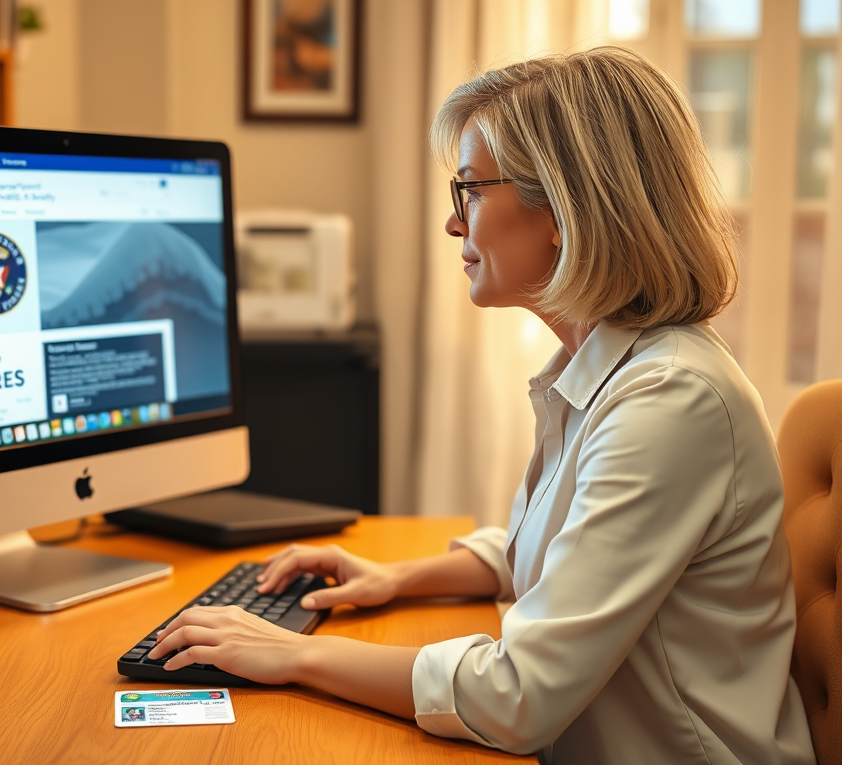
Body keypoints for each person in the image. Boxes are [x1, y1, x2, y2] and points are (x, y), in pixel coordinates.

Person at [149, 46, 816, 763]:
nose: (454, 224)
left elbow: (519, 696)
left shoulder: (670, 402)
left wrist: (295, 656)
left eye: (468, 189)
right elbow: (572, 546)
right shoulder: (611, 368)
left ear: (563, 208)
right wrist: (399, 577)